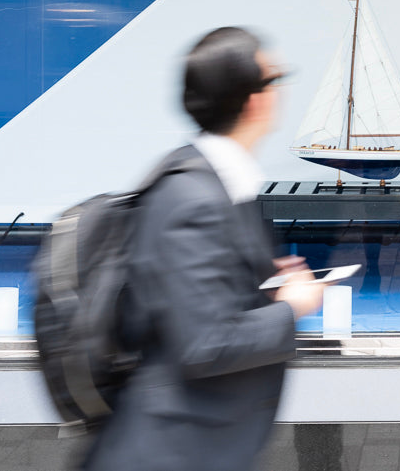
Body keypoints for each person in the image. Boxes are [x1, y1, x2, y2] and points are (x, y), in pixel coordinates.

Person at [85, 27, 325, 471]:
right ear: (254, 99)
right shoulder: (194, 200)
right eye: (275, 79)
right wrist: (291, 307)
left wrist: (265, 288)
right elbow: (203, 344)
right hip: (169, 452)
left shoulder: (218, 184)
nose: (281, 92)